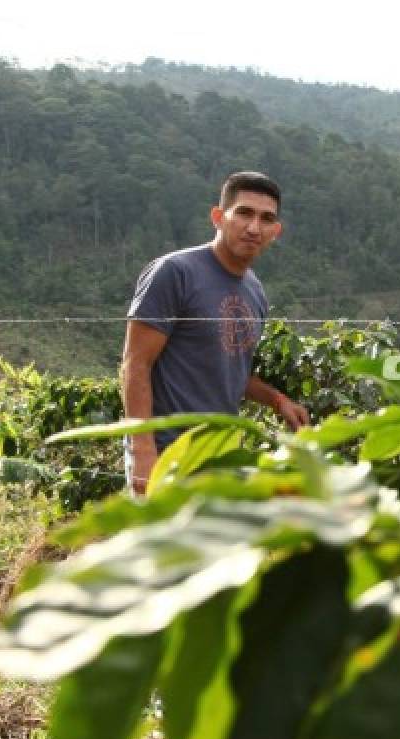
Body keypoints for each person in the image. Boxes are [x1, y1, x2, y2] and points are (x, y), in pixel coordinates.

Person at [121, 170, 310, 495]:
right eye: (244, 213)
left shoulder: (255, 293)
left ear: (275, 232)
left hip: (220, 458)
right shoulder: (175, 273)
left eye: (266, 219)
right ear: (219, 217)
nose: (254, 228)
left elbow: (230, 369)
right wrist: (143, 451)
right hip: (168, 455)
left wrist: (278, 401)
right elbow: (135, 365)